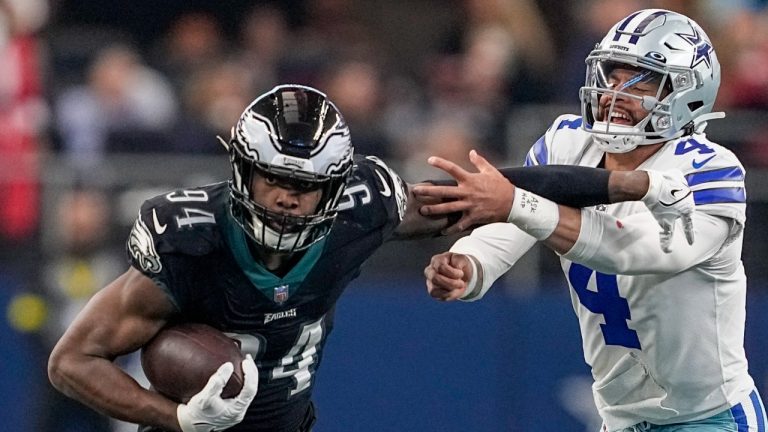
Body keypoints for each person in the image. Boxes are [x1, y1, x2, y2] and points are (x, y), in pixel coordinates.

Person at [48, 84, 695, 432]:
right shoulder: (189, 236)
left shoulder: (365, 205)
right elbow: (72, 360)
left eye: (306, 186)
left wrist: (630, 184)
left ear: (336, 186)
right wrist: (179, 419)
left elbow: (496, 189)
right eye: (274, 179)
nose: (287, 200)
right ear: (241, 171)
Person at [417, 9, 766, 432]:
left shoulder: (711, 170)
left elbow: (633, 249)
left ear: (686, 93)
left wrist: (516, 204)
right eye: (612, 78)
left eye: (642, 81)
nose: (615, 95)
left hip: (708, 417)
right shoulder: (568, 142)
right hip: (618, 419)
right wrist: (469, 264)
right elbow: (508, 226)